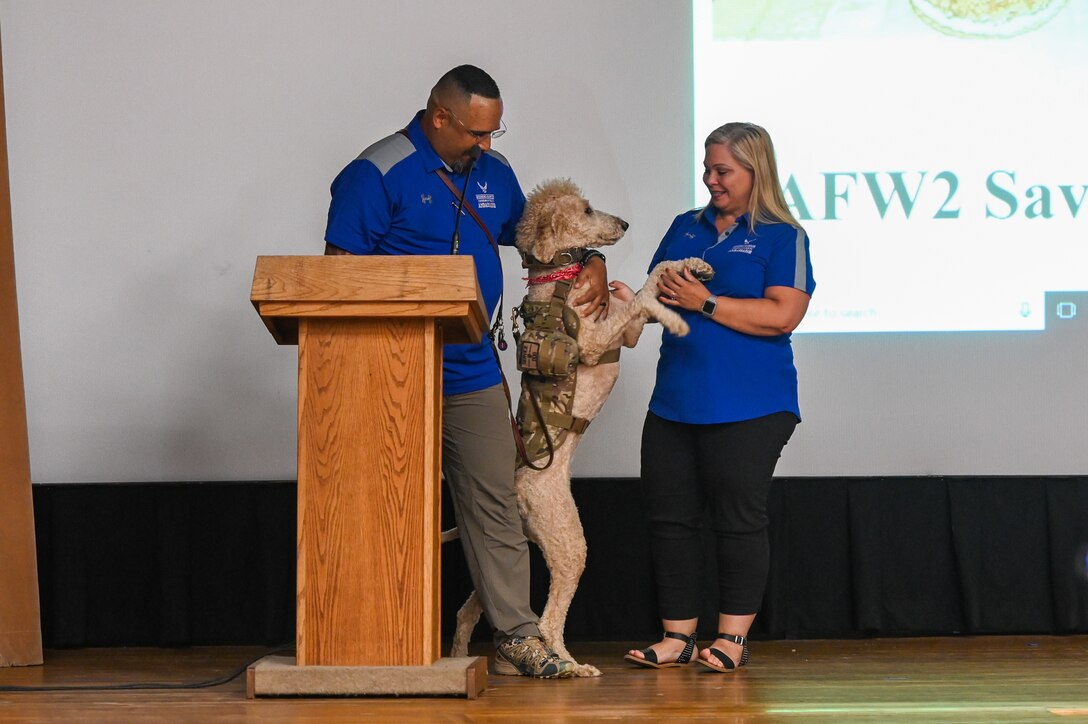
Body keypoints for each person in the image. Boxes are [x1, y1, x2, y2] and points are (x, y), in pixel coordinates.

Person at [323, 65, 610, 679]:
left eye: (493, 133)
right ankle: (372, 633)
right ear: (439, 117)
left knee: (496, 504)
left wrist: (591, 262)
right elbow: (335, 277)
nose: (485, 145)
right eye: (476, 133)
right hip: (387, 373)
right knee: (381, 504)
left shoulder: (494, 174)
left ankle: (517, 637)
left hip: (472, 368)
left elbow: (539, 240)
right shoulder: (376, 172)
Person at [623, 122, 815, 673]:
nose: (711, 180)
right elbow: (656, 292)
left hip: (753, 404)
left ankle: (731, 639)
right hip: (675, 401)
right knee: (670, 519)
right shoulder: (686, 226)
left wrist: (707, 302)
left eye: (723, 171)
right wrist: (629, 299)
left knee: (738, 519)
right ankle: (677, 637)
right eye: (707, 169)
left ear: (757, 172)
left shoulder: (784, 236)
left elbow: (783, 314)